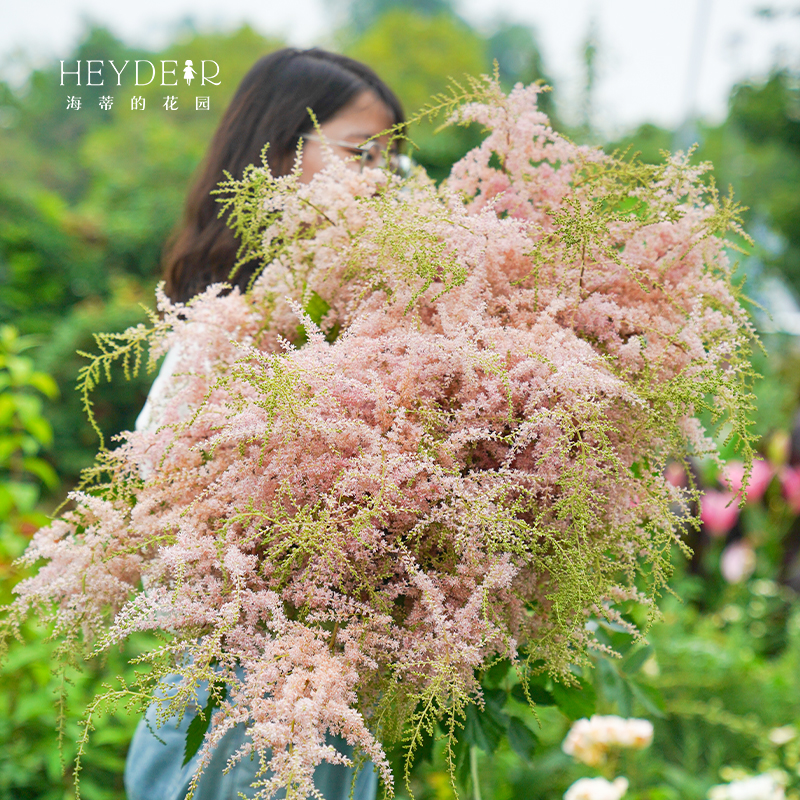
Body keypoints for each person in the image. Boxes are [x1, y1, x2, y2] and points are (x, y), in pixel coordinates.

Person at [124, 47, 406, 800]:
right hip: (241, 714)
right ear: (277, 155)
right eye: (363, 153)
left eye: (394, 160)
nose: (385, 179)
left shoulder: (383, 323)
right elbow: (158, 520)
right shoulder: (231, 326)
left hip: (330, 709)